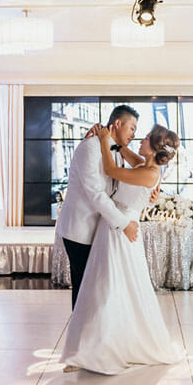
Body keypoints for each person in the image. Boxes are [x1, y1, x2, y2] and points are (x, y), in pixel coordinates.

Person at [61, 123, 184, 375]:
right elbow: (122, 149)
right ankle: (91, 346)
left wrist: (105, 139)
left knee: (110, 288)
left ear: (155, 148)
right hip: (112, 228)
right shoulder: (144, 164)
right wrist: (102, 134)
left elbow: (110, 169)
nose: (141, 138)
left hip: (122, 231)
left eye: (147, 137)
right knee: (103, 287)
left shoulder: (150, 173)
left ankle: (105, 347)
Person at [55, 105, 140, 310]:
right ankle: (80, 336)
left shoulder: (115, 150)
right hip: (80, 230)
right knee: (85, 287)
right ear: (117, 124)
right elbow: (95, 193)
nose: (134, 134)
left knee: (98, 289)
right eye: (132, 128)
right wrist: (123, 223)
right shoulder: (90, 146)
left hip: (100, 230)